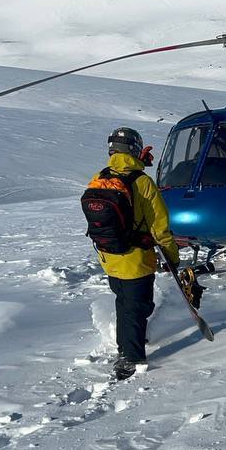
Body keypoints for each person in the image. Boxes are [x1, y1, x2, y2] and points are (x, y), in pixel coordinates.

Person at [87, 127, 180, 380]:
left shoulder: (101, 177)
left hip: (109, 257)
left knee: (125, 303)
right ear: (135, 150)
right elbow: (160, 226)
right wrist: (172, 255)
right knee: (137, 307)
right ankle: (130, 357)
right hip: (136, 259)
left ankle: (128, 342)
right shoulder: (142, 182)